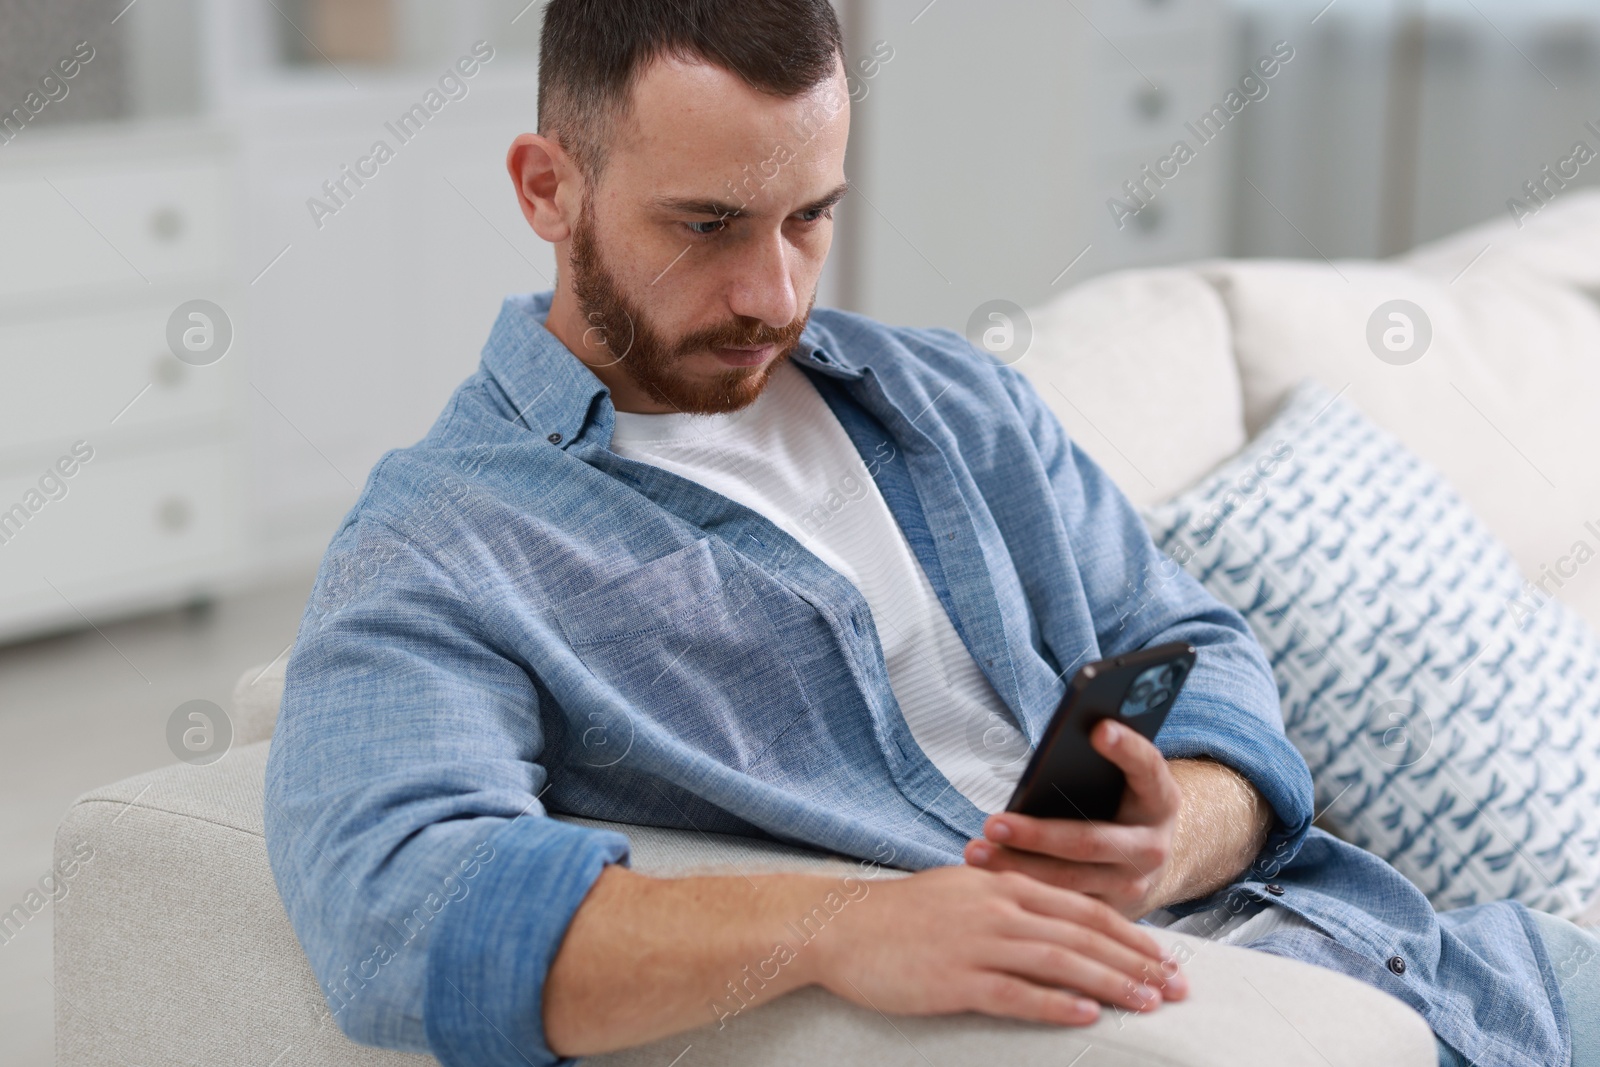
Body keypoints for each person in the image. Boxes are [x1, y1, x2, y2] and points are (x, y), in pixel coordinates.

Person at [263, 3, 1595, 1065]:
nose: (772, 291)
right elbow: (395, 905)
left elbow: (1192, 639)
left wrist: (1175, 832)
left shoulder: (950, 398)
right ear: (547, 187)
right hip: (1205, 1023)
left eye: (811, 217)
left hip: (1447, 961)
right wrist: (839, 929)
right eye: (708, 227)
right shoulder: (444, 538)